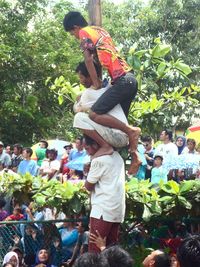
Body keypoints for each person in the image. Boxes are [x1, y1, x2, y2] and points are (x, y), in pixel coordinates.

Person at [63, 11, 141, 174]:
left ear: (76, 27)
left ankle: (131, 131)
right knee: (120, 124)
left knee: (94, 115)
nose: (75, 36)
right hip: (130, 80)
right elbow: (100, 58)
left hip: (122, 81)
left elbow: (88, 59)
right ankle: (135, 156)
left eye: (72, 33)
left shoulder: (85, 32)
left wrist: (97, 82)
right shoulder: (100, 30)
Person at [83, 135, 125, 252]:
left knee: (95, 252)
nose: (87, 152)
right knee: (112, 250)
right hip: (116, 210)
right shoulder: (117, 156)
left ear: (95, 145)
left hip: (102, 210)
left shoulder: (99, 160)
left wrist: (87, 172)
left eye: (87, 148)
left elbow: (88, 186)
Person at [73, 61, 129, 150]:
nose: (81, 81)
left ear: (90, 75)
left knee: (79, 117)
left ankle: (105, 146)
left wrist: (78, 99)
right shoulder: (108, 87)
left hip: (117, 137)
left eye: (81, 77)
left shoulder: (88, 94)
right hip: (123, 135)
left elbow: (77, 109)